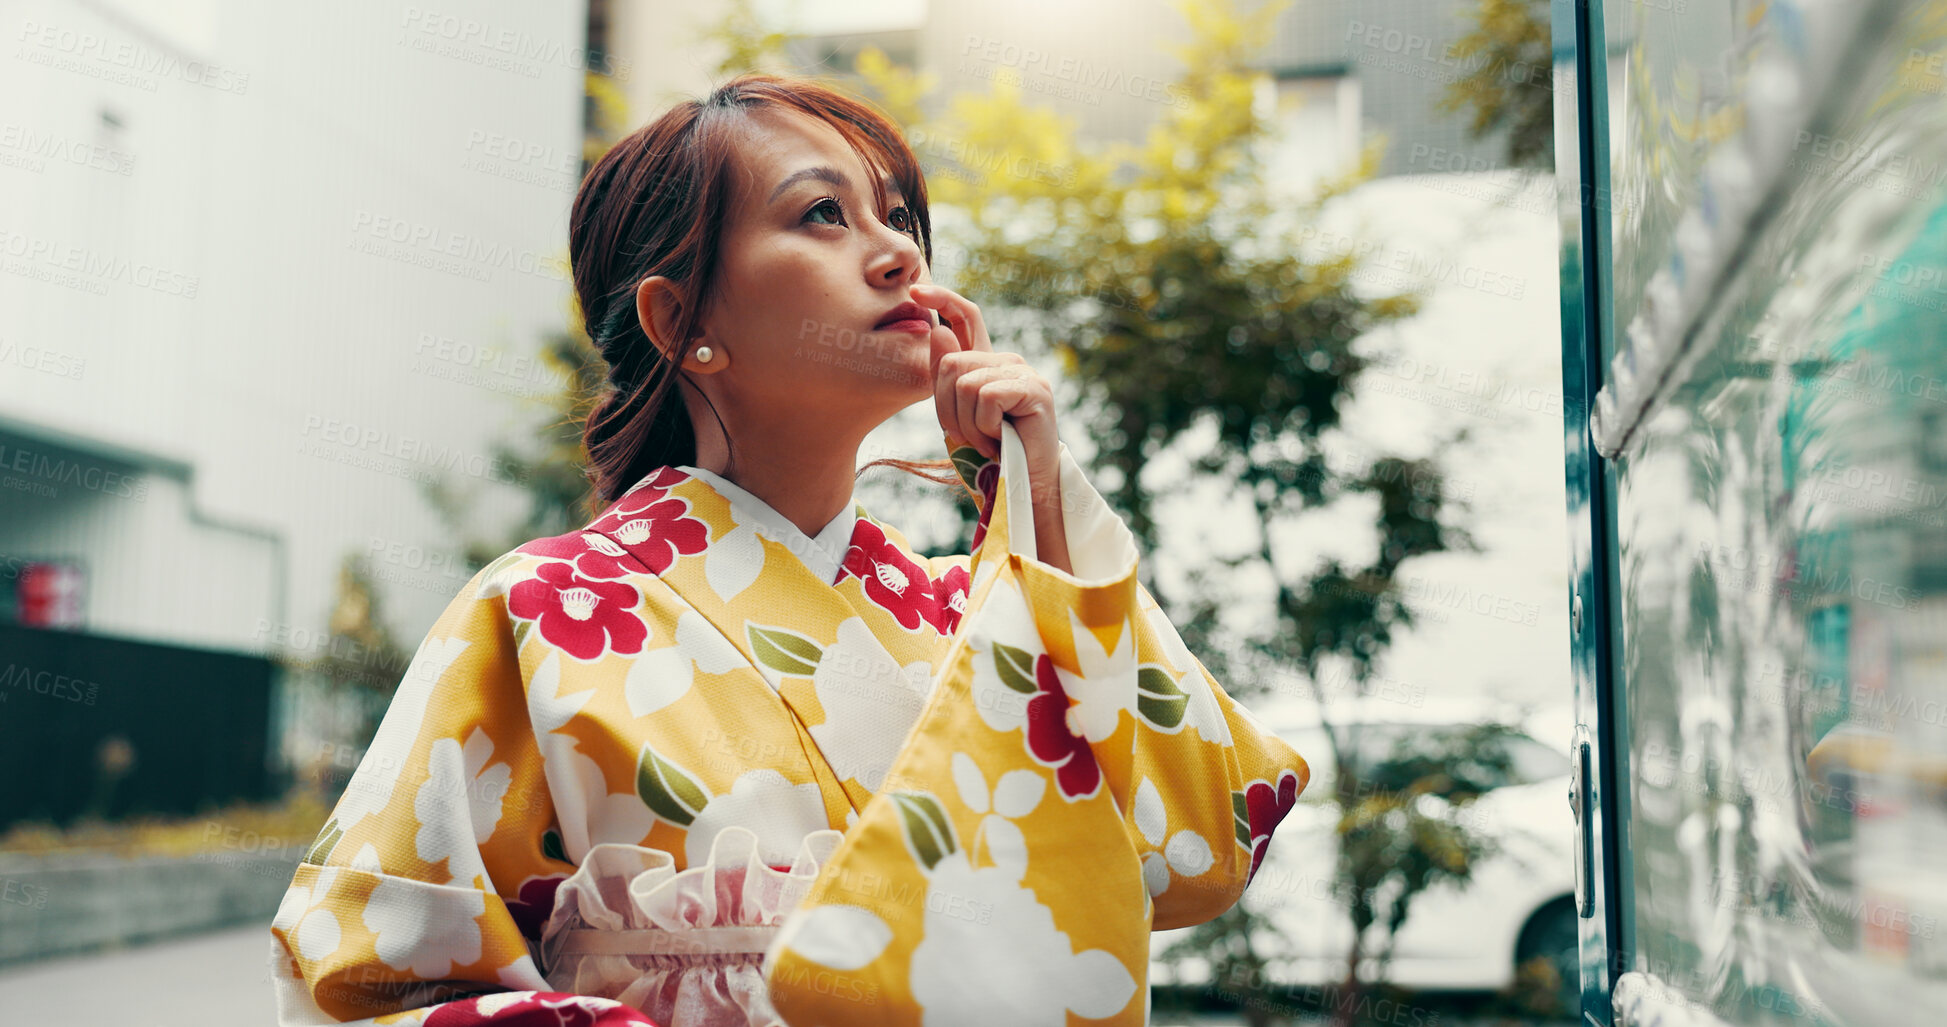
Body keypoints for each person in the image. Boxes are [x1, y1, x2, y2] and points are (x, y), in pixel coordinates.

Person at [268, 73, 1309, 1027]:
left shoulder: (978, 610)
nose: (899, 251)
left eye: (899, 217)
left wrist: (1037, 492)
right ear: (684, 317)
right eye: (823, 213)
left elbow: (1203, 846)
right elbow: (364, 978)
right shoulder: (541, 611)